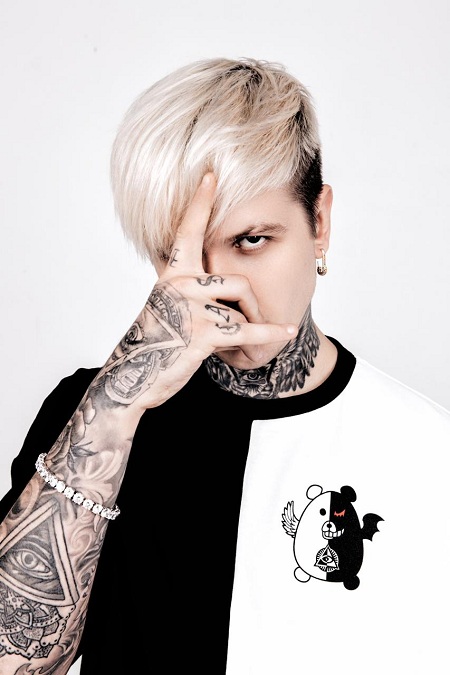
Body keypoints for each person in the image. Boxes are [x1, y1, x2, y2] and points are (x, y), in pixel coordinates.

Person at [0, 57, 449, 675]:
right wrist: (114, 407)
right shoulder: (93, 415)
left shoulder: (426, 446)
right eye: (178, 253)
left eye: (251, 241)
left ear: (319, 224)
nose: (219, 288)